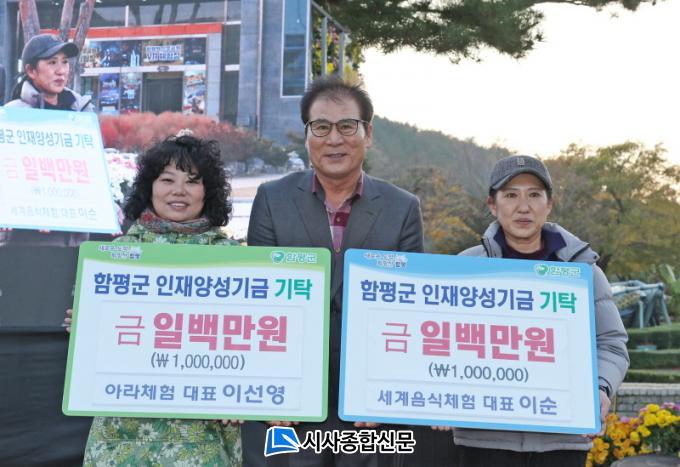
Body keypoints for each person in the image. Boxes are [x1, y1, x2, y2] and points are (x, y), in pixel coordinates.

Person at [245, 74, 425, 466]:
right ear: (306, 135)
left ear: (368, 134)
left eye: (347, 126)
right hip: (291, 399)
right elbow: (259, 300)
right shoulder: (272, 198)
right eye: (321, 127)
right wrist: (268, 388)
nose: (334, 139)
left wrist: (385, 393)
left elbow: (410, 313)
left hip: (369, 408)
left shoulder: (402, 207)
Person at [67, 134, 242, 466]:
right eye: (167, 180)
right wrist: (82, 327)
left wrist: (246, 395)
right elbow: (90, 342)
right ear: (149, 186)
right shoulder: (113, 256)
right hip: (120, 434)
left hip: (202, 436)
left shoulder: (235, 260)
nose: (179, 191)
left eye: (192, 181)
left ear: (208, 191)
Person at [453, 155, 630, 467]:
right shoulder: (463, 268)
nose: (523, 207)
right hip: (485, 438)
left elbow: (611, 343)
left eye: (534, 195)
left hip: (563, 436)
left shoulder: (583, 271)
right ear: (492, 205)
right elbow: (443, 343)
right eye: (511, 195)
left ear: (549, 204)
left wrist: (600, 387)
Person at [1, 33, 94, 247]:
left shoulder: (82, 114)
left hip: (76, 237)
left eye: (65, 62)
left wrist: (108, 206)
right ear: (31, 71)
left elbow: (92, 170)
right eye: (52, 63)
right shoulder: (10, 117)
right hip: (28, 241)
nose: (61, 70)